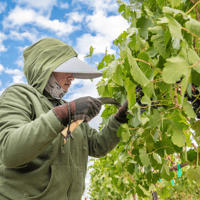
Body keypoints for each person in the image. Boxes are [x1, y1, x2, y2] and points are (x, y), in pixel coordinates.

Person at [0, 38, 128, 200]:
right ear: (45, 69)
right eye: (66, 69)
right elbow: (10, 152)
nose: (72, 77)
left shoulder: (69, 109)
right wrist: (64, 113)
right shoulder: (19, 95)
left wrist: (120, 117)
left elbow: (97, 146)